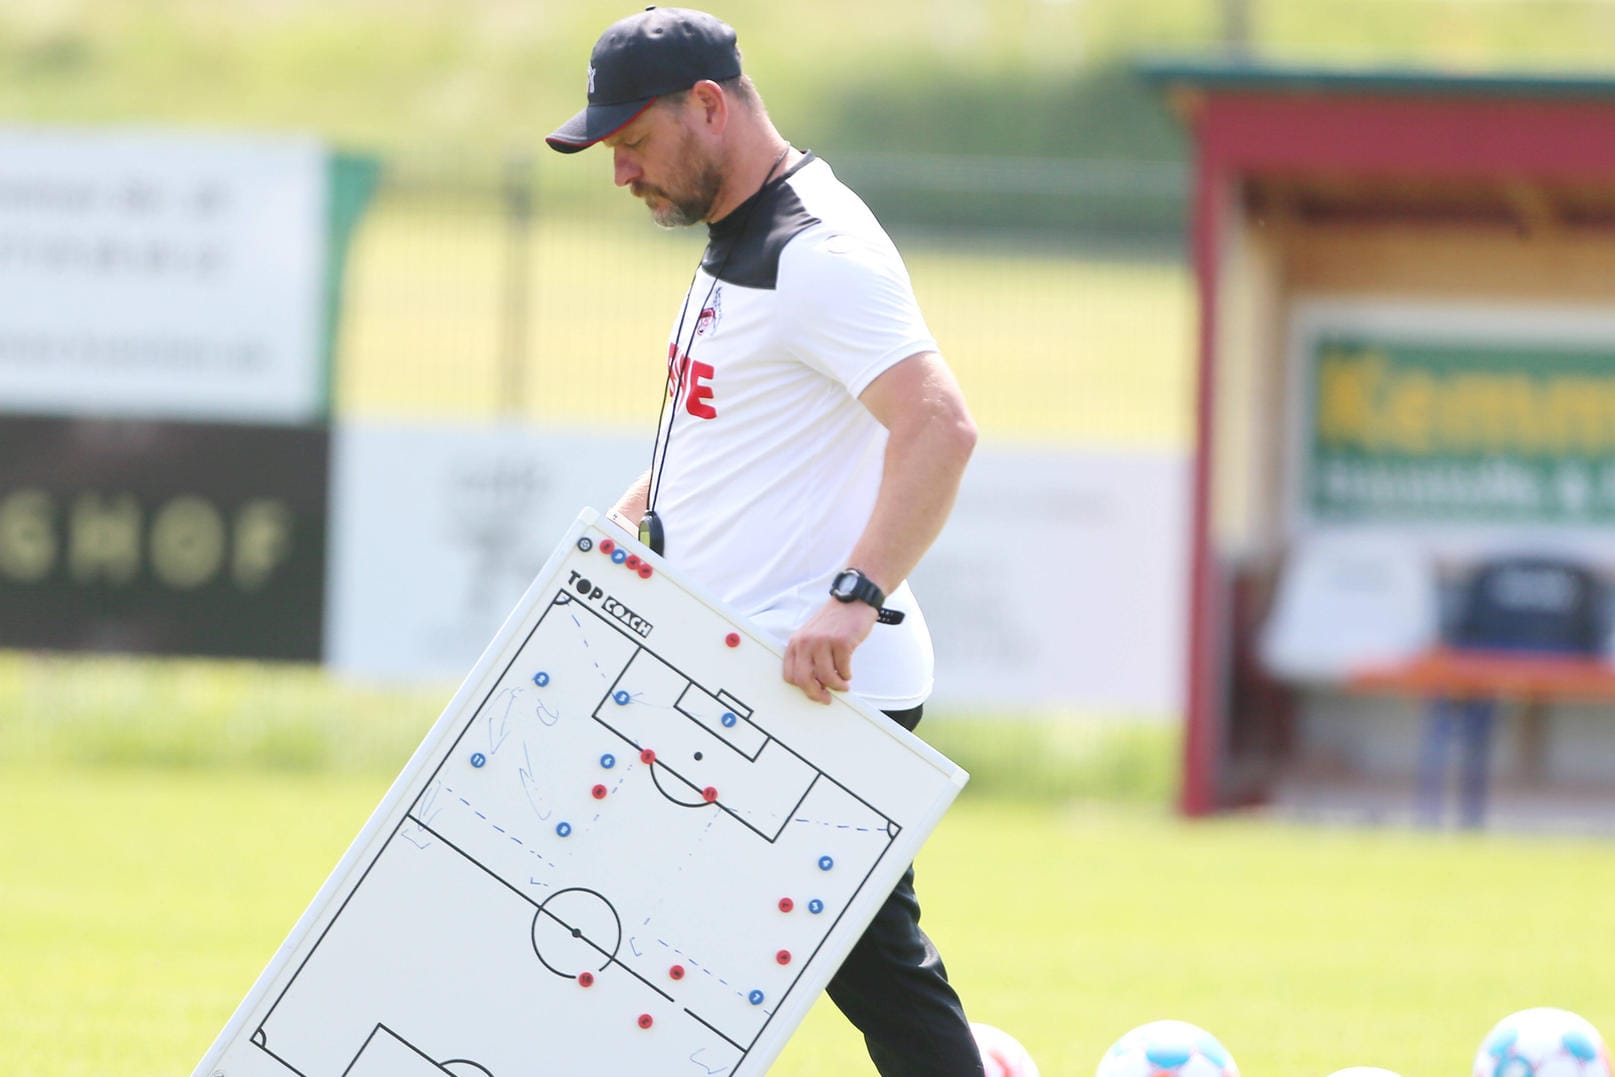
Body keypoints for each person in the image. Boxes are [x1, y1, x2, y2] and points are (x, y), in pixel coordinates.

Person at [546, 8, 983, 1076]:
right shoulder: (740, 239)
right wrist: (627, 527)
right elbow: (726, 434)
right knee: (851, 967)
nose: (621, 175)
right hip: (747, 685)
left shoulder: (815, 255)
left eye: (634, 146)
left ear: (708, 107)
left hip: (812, 685)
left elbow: (940, 426)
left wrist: (851, 594)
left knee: (686, 952)